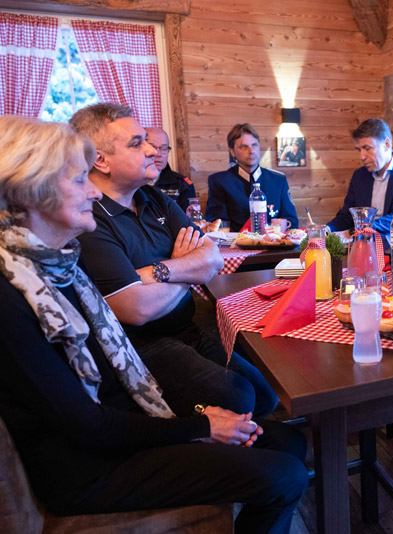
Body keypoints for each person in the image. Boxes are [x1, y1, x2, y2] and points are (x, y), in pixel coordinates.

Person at [0, 116, 307, 533]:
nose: (92, 190)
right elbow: (88, 424)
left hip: (123, 420)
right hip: (89, 467)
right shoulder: (13, 296)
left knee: (290, 440)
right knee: (283, 474)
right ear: (27, 195)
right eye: (77, 180)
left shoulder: (56, 266)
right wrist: (198, 425)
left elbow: (195, 264)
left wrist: (191, 421)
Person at [70, 104, 278, 418]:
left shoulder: (154, 198)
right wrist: (187, 268)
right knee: (239, 397)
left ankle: (241, 444)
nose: (153, 150)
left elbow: (211, 256)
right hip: (141, 346)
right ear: (100, 159)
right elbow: (136, 309)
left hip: (187, 329)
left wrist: (156, 273)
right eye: (137, 143)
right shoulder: (90, 220)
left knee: (267, 394)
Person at [325, 118, 393, 249]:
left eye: (367, 148)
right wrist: (327, 230)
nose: (362, 156)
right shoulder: (359, 175)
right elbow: (347, 215)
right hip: (365, 250)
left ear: (386, 144)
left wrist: (355, 231)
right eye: (359, 150)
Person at [206, 123, 298, 232]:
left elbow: (291, 221)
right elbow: (218, 224)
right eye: (244, 147)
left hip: (275, 245)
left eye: (254, 145)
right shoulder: (220, 182)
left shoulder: (278, 180)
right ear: (232, 152)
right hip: (236, 245)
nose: (251, 151)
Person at [145, 126, 196, 212]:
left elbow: (189, 222)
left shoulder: (182, 185)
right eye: (152, 147)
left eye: (164, 148)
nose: (158, 154)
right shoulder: (129, 182)